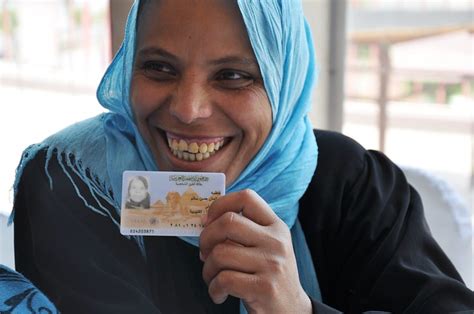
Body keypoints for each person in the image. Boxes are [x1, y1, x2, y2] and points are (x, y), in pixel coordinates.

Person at [7, 0, 474, 313]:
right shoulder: (78, 181)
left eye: (233, 75)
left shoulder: (348, 180)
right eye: (158, 67)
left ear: (284, 80)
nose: (188, 109)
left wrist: (297, 309)